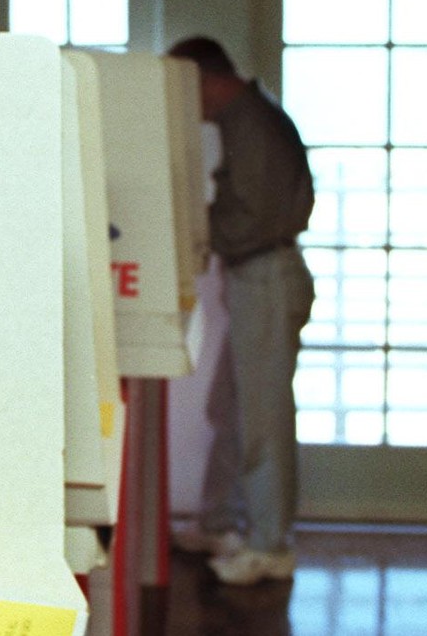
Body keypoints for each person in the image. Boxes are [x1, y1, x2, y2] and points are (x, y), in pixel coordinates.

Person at [167, 36, 315, 585]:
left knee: (261, 419)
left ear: (205, 79)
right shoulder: (248, 117)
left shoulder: (250, 122)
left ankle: (270, 546)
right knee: (232, 410)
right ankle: (220, 521)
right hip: (256, 277)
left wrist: (194, 232)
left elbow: (255, 218)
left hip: (266, 276)